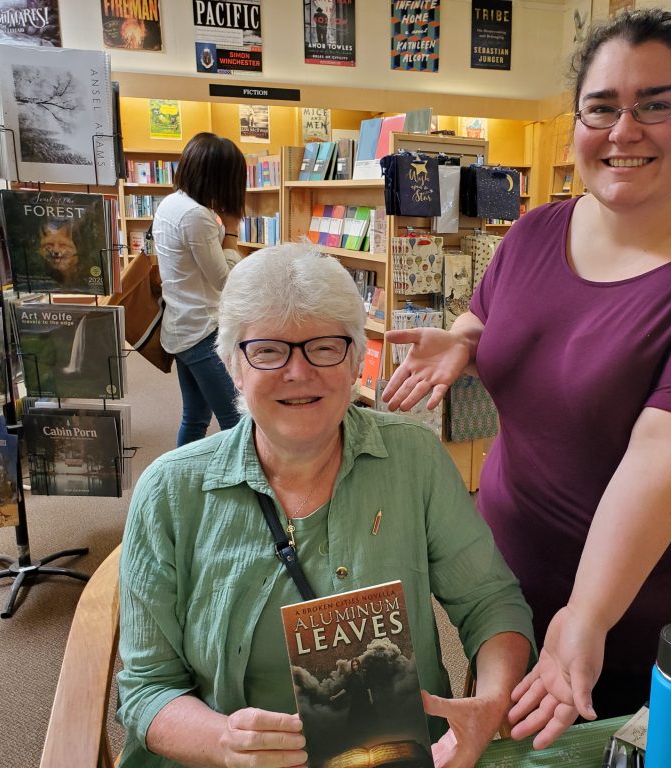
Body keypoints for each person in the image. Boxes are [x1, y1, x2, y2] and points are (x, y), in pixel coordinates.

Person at [382, 8, 671, 748]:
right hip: (514, 580)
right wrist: (461, 343)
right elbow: (497, 319)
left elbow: (662, 461)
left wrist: (585, 616)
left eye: (656, 104)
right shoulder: (538, 230)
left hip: (655, 604)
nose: (624, 129)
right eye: (602, 106)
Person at [116, 244, 534, 768]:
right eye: (268, 350)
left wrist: (490, 704)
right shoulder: (169, 493)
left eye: (325, 347)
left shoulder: (414, 459)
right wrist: (224, 741)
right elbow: (146, 687)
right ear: (233, 367)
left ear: (358, 359)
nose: (298, 371)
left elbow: (493, 603)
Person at [153, 131, 244, 446]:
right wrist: (230, 230)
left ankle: (182, 483)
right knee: (238, 422)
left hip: (181, 327)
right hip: (203, 332)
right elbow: (226, 283)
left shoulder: (172, 203)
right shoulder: (197, 216)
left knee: (195, 419)